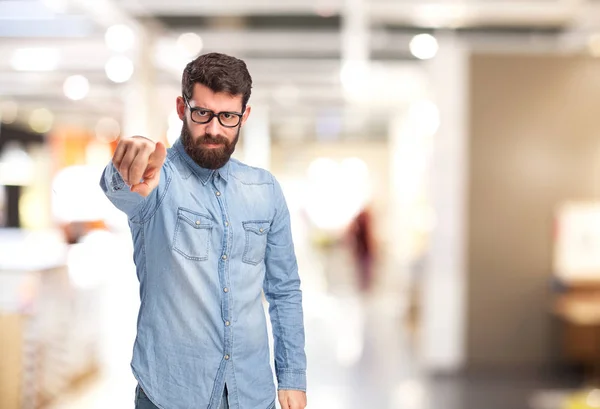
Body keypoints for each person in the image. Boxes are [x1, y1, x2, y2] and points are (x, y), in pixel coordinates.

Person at [100, 53, 307, 409]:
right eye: (202, 113)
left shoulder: (264, 189)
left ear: (245, 115)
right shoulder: (158, 180)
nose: (214, 129)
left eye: (228, 116)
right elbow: (120, 187)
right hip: (171, 395)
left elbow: (284, 290)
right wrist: (125, 166)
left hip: (252, 393)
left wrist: (292, 377)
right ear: (182, 107)